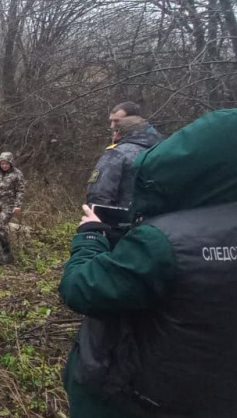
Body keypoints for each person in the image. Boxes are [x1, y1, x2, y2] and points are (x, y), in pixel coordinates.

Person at [59, 108, 237, 417]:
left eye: (114, 124)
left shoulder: (161, 244)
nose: (111, 129)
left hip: (135, 397)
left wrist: (91, 235)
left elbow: (80, 286)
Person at [86, 102, 162, 208]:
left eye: (117, 121)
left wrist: (97, 222)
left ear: (133, 121)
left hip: (121, 221)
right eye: (111, 121)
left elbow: (98, 196)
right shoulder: (164, 149)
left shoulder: (117, 154)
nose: (112, 126)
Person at [0, 152, 26, 264]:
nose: (4, 165)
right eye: (2, 163)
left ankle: (7, 255)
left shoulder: (17, 174)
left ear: (11, 163)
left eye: (6, 163)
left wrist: (17, 205)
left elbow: (21, 190)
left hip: (8, 205)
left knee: (0, 226)